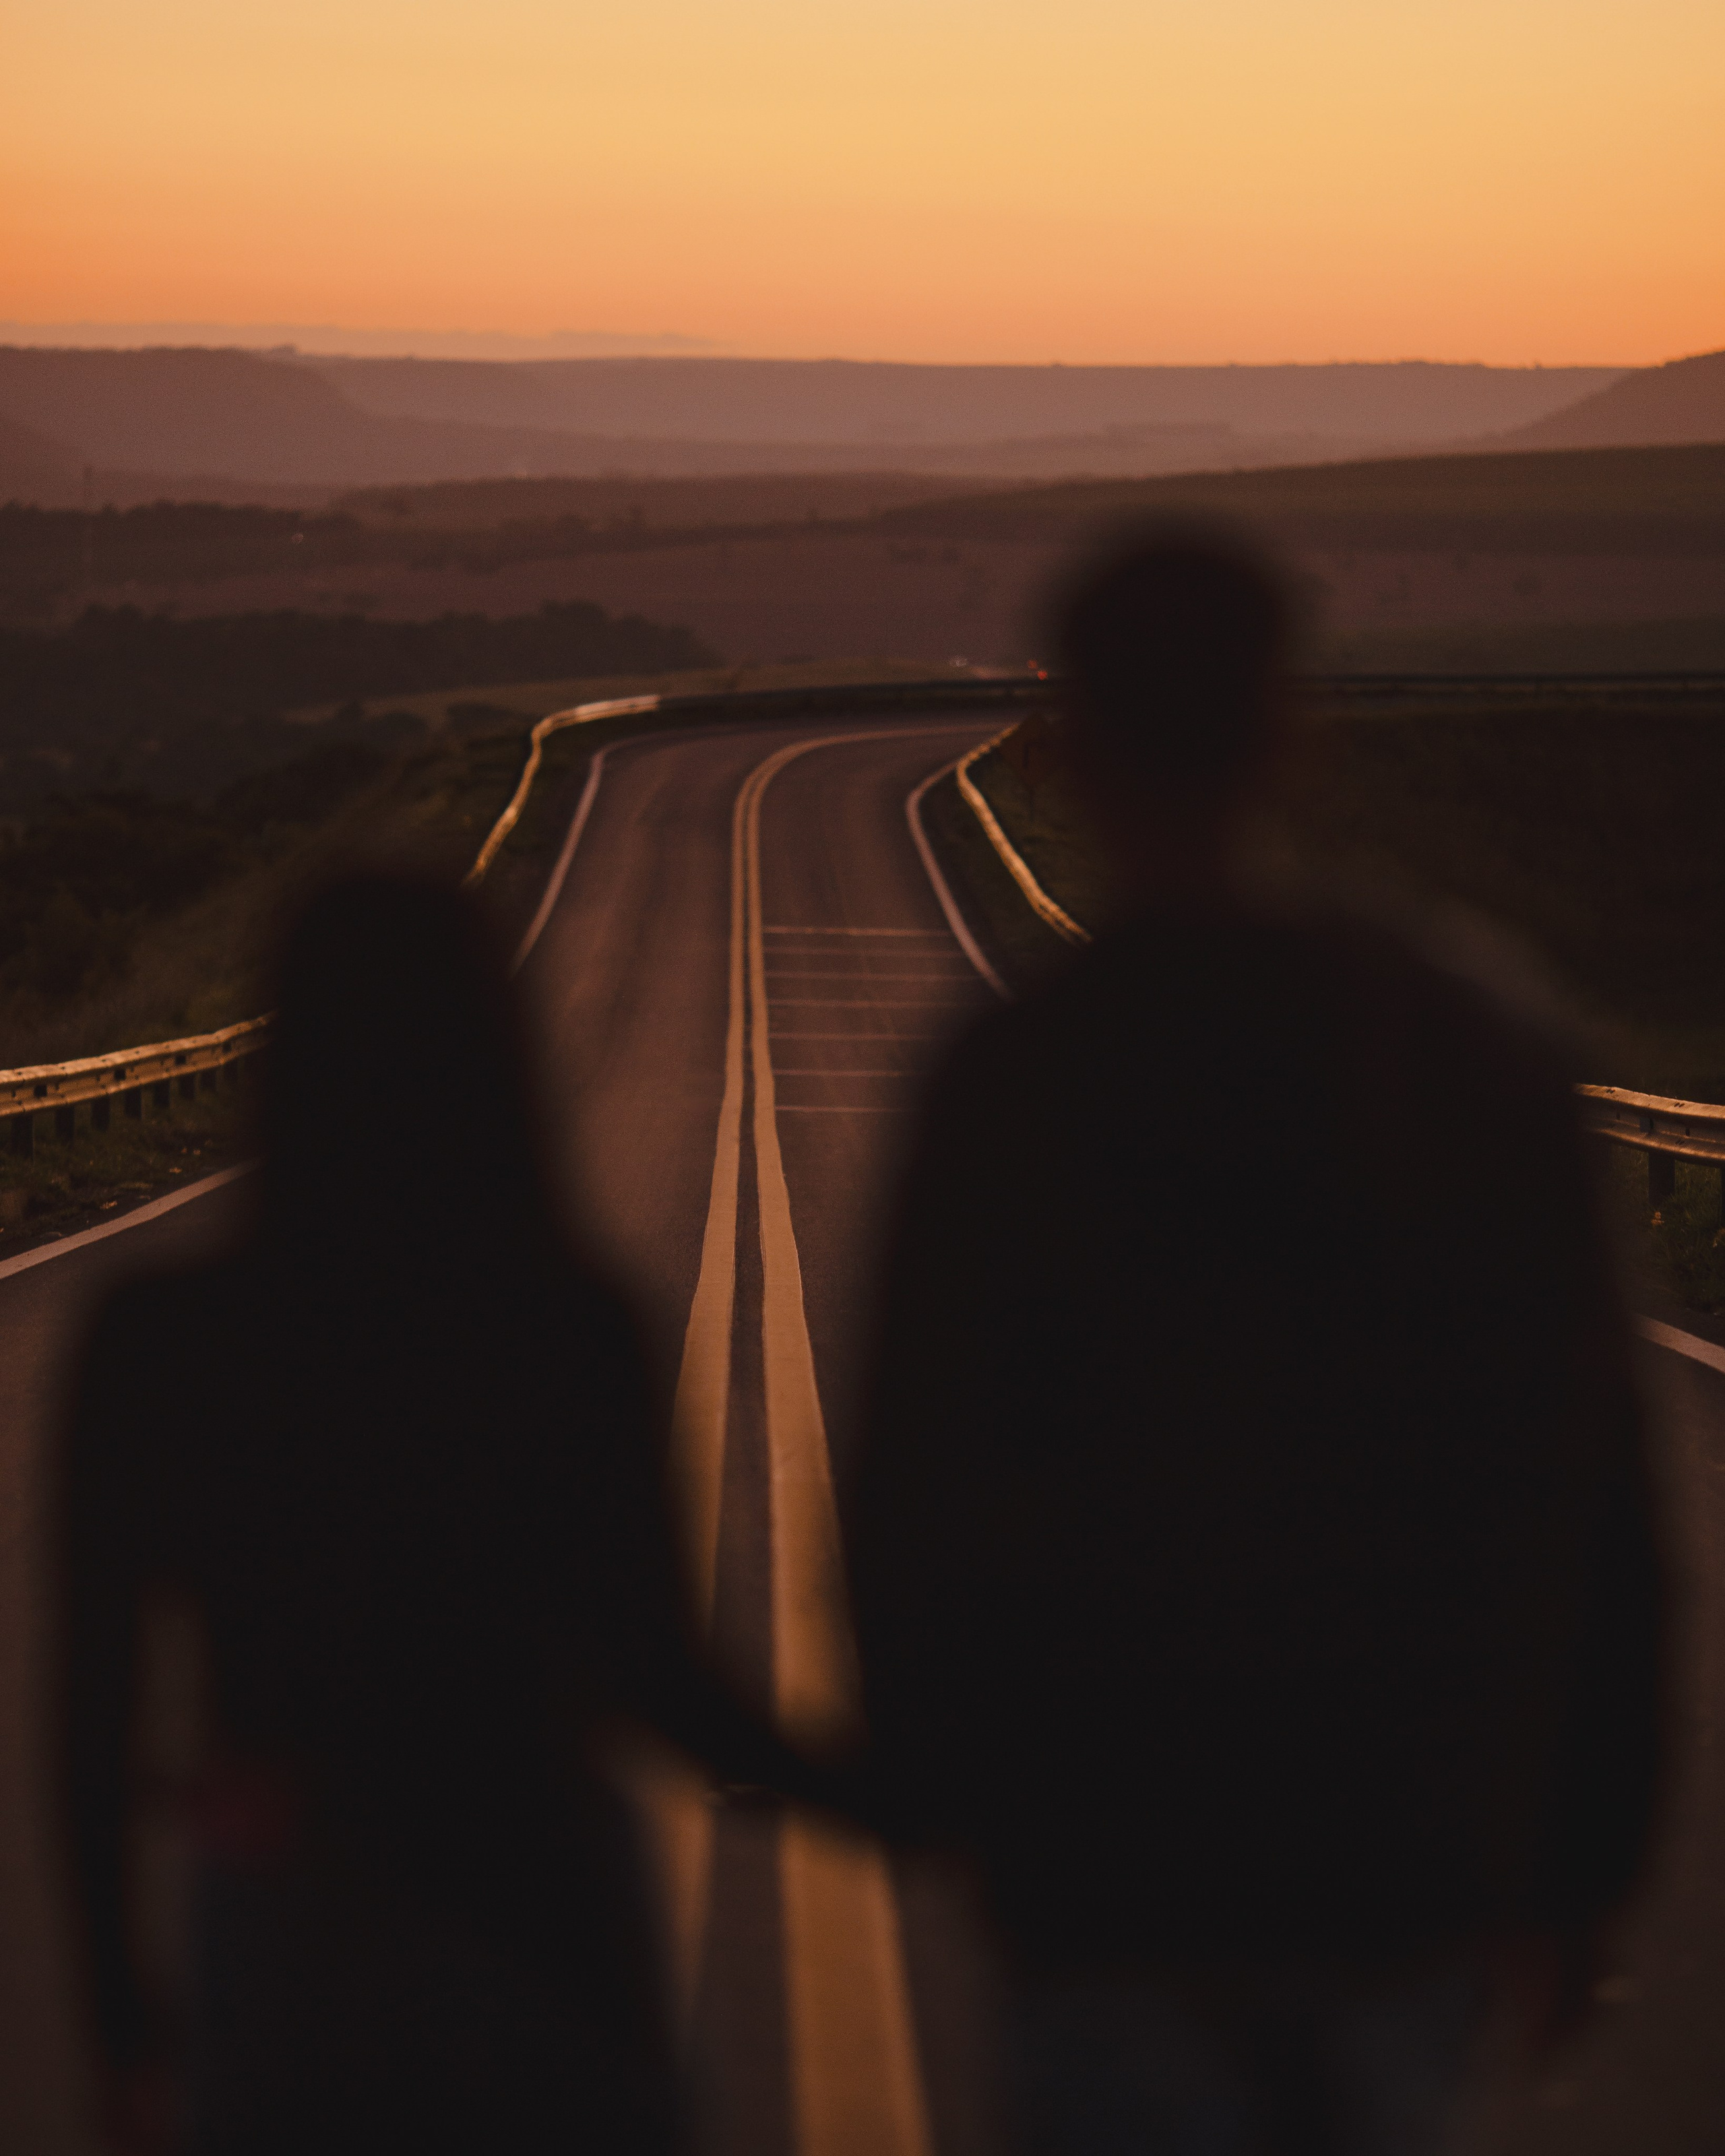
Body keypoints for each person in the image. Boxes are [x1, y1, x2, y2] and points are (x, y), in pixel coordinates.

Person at [846, 531, 1670, 2155]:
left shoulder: (1011, 1078)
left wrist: (950, 1798)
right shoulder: (1472, 1041)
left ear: (1074, 742)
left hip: (1111, 1866)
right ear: (1289, 725)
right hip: (1403, 1852)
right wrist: (1583, 1870)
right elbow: (1597, 1494)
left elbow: (913, 1484)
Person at [51, 875, 771, 2156]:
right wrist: (880, 1790)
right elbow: (656, 1672)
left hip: (290, 1914)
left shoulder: (160, 1341)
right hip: (546, 1904)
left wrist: (121, 2022)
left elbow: (88, 1719)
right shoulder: (570, 1325)